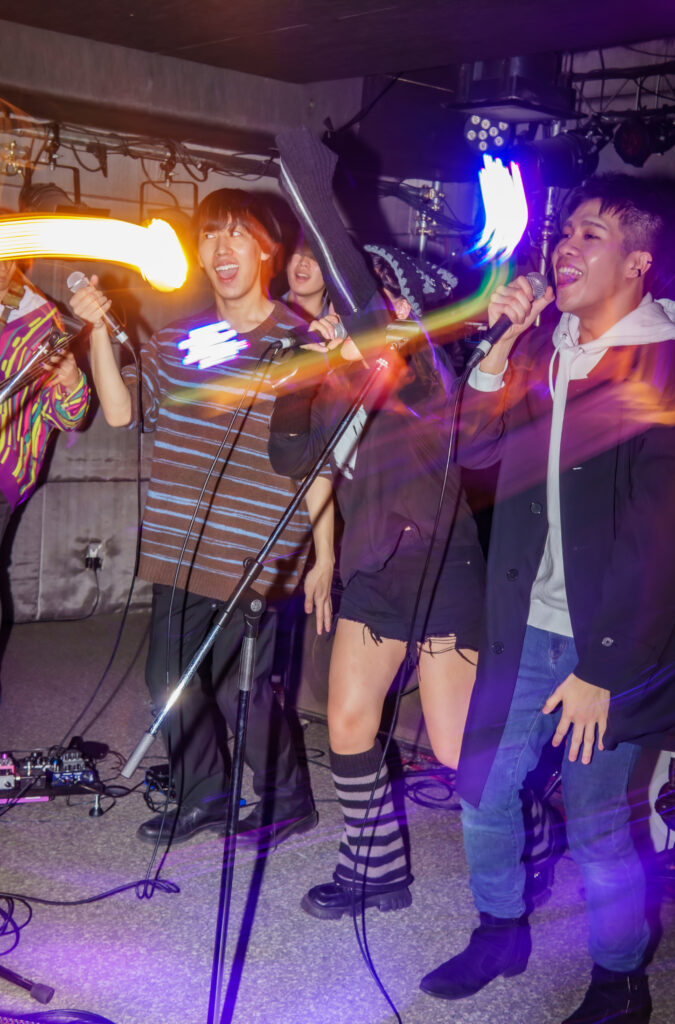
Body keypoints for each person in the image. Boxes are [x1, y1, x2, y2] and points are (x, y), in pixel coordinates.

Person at [420, 174, 675, 1024]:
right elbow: (474, 454)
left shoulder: (664, 365)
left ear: (637, 262)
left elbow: (660, 541)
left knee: (597, 821)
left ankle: (619, 981)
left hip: (614, 641)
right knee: (482, 791)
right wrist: (499, 345)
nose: (565, 246)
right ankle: (500, 931)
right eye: (563, 233)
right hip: (525, 623)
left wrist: (603, 669)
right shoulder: (541, 347)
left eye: (590, 235)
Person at [69, 188, 332, 847]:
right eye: (209, 235)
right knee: (168, 679)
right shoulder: (181, 341)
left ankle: (286, 800)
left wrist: (323, 557)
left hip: (254, 548)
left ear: (267, 250)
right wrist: (98, 330)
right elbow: (121, 412)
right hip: (179, 543)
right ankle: (204, 795)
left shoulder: (300, 344)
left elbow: (321, 462)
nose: (220, 248)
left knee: (243, 688)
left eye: (236, 233)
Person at [269, 244, 485, 919]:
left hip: (441, 567)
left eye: (375, 297)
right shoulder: (341, 371)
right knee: (348, 722)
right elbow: (297, 460)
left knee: (453, 746)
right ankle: (374, 871)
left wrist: (357, 355)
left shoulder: (425, 368)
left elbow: (411, 416)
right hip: (371, 566)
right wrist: (303, 375)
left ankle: (533, 829)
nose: (359, 310)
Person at [0, 233, 89, 706]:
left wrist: (72, 382)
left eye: (6, 256)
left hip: (2, 462)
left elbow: (69, 416)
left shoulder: (43, 321)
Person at [282, 233, 328, 322]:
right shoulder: (260, 311)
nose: (303, 262)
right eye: (298, 252)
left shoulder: (340, 328)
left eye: (315, 257)